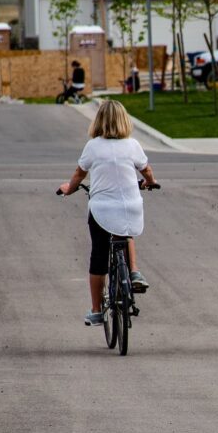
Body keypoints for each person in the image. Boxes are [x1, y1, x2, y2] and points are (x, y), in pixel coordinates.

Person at [59, 99, 157, 325]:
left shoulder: (93, 146)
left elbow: (79, 174)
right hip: (130, 206)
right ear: (124, 120)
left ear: (99, 121)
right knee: (125, 231)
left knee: (99, 256)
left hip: (102, 209)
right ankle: (134, 272)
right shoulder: (133, 145)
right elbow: (147, 170)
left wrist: (69, 189)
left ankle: (95, 310)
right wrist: (150, 182)